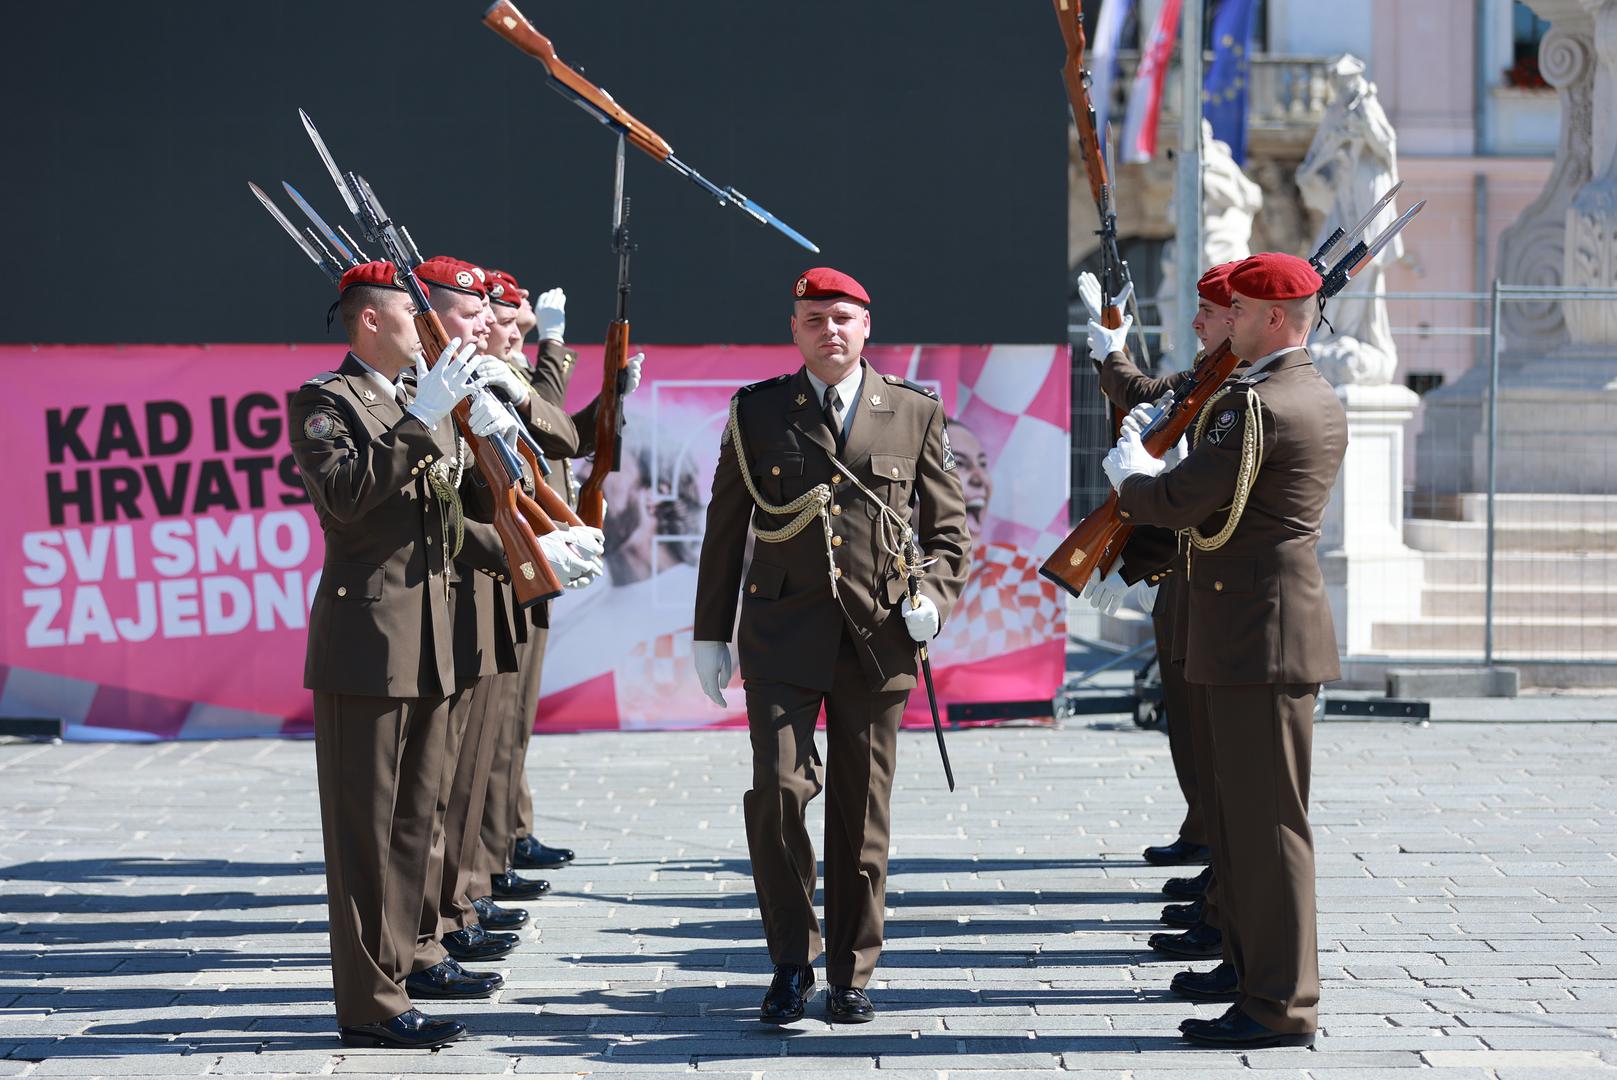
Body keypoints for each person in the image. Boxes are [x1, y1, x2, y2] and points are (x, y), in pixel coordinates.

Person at [288, 259, 571, 1049]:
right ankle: (368, 1003)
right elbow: (346, 499)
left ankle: (413, 956)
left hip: (435, 639)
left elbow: (446, 522)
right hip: (368, 645)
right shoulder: (327, 401)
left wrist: (533, 554)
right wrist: (421, 418)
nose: (431, 333)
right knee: (366, 834)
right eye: (415, 317)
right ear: (371, 320)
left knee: (419, 818)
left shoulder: (429, 396)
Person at [692, 267, 970, 1026]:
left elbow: (950, 530)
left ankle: (851, 970)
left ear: (866, 326)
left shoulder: (912, 410)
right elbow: (725, 528)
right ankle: (791, 959)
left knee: (861, 809)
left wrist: (933, 598)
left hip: (878, 636)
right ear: (794, 329)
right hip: (782, 631)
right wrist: (710, 631)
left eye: (842, 318)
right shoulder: (757, 411)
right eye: (814, 319)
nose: (830, 332)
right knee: (778, 793)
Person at [1103, 252, 1347, 1049]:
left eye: (1236, 309)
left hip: (1258, 635)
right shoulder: (1292, 392)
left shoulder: (1260, 405)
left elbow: (1181, 500)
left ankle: (1279, 1004)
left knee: (1267, 829)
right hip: (1251, 628)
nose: (1224, 320)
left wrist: (1131, 476)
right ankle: (1248, 974)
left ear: (1273, 319)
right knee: (1245, 824)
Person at [1082, 265, 1243, 972]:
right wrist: (1111, 341)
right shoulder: (1209, 376)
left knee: (1214, 742)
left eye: (1210, 310)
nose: (1197, 322)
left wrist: (1149, 502)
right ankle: (1211, 861)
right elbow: (1146, 395)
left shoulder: (1242, 389)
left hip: (1205, 578)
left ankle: (1222, 888)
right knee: (1189, 725)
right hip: (1184, 576)